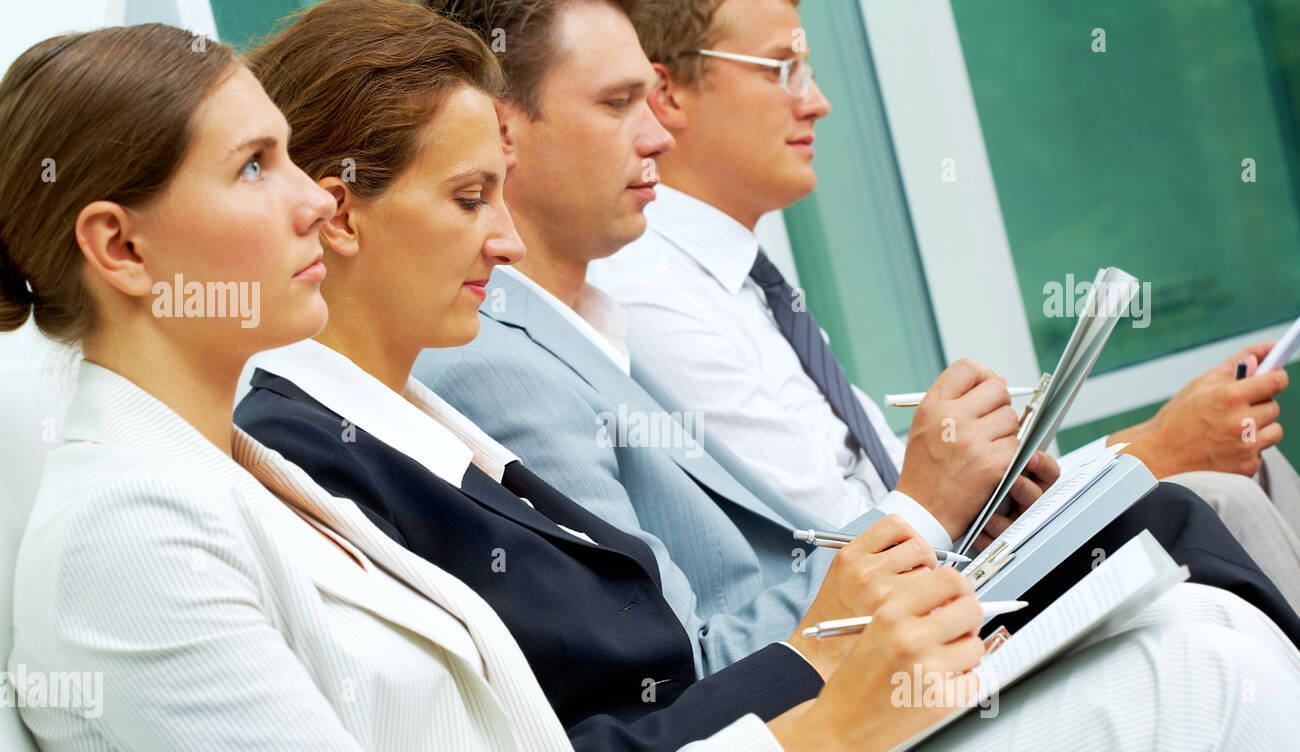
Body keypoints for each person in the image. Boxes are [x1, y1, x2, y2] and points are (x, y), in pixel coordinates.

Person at [6, 10, 1300, 752]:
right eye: (255, 171)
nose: (313, 207)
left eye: (301, 161)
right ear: (118, 244)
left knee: (1199, 635)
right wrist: (810, 732)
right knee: (1194, 680)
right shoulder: (132, 528)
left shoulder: (256, 472)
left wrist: (826, 718)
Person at [413, 0, 1300, 645]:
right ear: (505, 131)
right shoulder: (601, 317)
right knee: (1198, 513)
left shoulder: (610, 311)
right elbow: (699, 647)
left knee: (1223, 499)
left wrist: (974, 496)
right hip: (864, 656)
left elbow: (867, 512)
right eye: (782, 69)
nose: (819, 101)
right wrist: (1131, 456)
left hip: (895, 611)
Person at [233, 0, 932, 752]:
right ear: (341, 216)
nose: (508, 240)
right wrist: (823, 669)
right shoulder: (322, 459)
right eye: (470, 199)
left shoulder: (434, 430)